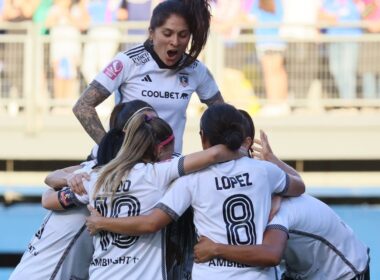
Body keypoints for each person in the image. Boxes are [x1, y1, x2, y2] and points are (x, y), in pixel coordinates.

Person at [85, 103, 305, 280]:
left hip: (211, 274)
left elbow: (152, 222)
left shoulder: (191, 179)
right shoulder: (265, 172)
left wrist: (102, 222)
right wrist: (273, 164)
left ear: (202, 137)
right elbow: (299, 185)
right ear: (242, 136)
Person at [8, 100, 157, 280]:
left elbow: (50, 184)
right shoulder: (95, 176)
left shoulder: (103, 171)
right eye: (149, 123)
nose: (156, 129)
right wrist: (70, 180)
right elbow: (48, 194)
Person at [193, 130, 370, 280]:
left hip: (344, 272)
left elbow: (271, 255)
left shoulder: (277, 213)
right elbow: (298, 183)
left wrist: (216, 249)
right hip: (306, 270)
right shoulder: (263, 185)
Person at [72, 0, 224, 154]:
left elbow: (223, 114)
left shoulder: (196, 69)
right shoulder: (128, 61)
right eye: (167, 33)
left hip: (169, 166)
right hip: (128, 165)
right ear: (152, 33)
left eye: (183, 35)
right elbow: (83, 107)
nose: (175, 42)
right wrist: (110, 150)